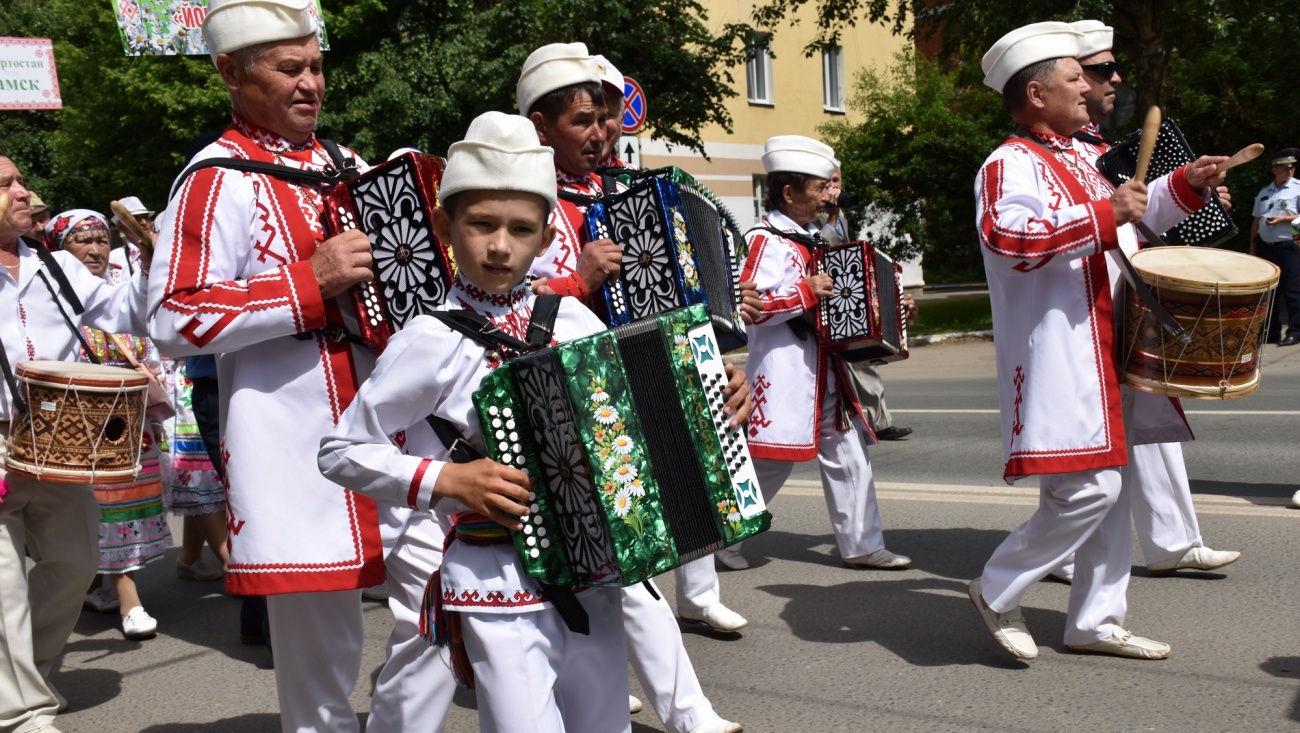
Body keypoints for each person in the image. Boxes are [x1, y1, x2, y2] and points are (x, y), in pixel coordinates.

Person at [321, 110, 754, 733]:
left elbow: (635, 419)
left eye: (521, 229)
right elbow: (339, 451)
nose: (500, 245)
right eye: (481, 225)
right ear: (444, 225)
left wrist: (714, 397)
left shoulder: (575, 321)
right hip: (494, 577)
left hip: (594, 575)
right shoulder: (428, 339)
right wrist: (448, 481)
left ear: (549, 236)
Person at [147, 0, 454, 730]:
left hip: (397, 429)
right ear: (231, 72)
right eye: (289, 69)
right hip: (297, 442)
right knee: (321, 647)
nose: (311, 83)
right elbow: (172, 317)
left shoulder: (346, 164)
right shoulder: (213, 177)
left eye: (316, 66)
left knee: (450, 600)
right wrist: (308, 282)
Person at [969, 21, 1227, 661]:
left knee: (1109, 484)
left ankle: (1095, 621)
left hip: (1110, 343)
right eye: (1074, 78)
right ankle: (996, 587)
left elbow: (1136, 217)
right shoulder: (1008, 164)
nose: (1089, 86)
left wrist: (1185, 185)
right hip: (1059, 353)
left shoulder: (1084, 155)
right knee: (1091, 490)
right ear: (1036, 94)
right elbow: (1010, 241)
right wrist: (1110, 214)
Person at [519, 44, 746, 733]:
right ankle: (666, 704)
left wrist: (708, 354)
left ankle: (667, 703)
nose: (603, 132)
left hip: (625, 392)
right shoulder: (520, 199)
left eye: (608, 118)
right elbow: (496, 302)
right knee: (604, 564)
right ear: (539, 127)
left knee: (627, 557)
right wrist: (575, 280)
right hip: (554, 405)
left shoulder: (629, 195)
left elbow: (670, 299)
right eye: (585, 120)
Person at [1041, 19, 1240, 581]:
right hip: (1080, 310)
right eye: (1100, 70)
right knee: (1083, 434)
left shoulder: (1102, 149)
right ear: (1067, 79)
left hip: (1129, 298)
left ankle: (1172, 540)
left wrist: (1194, 189)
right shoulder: (1038, 156)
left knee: (1149, 417)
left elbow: (1145, 221)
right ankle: (1059, 552)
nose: (1114, 79)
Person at [0, 156, 151, 733]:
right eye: (8, 184)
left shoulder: (53, 263)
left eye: (20, 181)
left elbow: (128, 312)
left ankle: (27, 674)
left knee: (75, 564)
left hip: (60, 445)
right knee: (6, 582)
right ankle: (24, 712)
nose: (24, 191)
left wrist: (156, 262)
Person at [733, 135, 910, 571]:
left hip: (830, 370)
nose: (826, 196)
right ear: (789, 192)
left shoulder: (822, 239)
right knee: (771, 462)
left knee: (850, 453)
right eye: (817, 188)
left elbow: (845, 301)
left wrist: (891, 307)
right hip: (787, 371)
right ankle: (720, 539)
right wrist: (804, 292)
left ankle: (863, 545)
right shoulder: (764, 240)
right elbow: (750, 309)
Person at [47, 209, 173, 640]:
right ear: (61, 250)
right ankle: (129, 600)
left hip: (128, 424)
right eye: (83, 242)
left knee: (122, 508)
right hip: (80, 428)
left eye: (101, 240)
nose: (96, 249)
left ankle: (95, 585)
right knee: (103, 510)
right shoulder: (51, 298)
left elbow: (145, 334)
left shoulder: (113, 293)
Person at [816, 168, 913, 443]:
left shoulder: (838, 215)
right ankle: (866, 423)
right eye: (828, 183)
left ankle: (877, 422)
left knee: (865, 359)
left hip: (846, 297)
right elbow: (824, 250)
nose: (834, 188)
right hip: (828, 300)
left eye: (837, 181)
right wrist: (833, 216)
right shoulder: (818, 215)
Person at [1250, 147, 1300, 346]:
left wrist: (1282, 219)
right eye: (1285, 167)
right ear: (1274, 169)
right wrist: (1253, 249)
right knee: (1270, 292)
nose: (1289, 170)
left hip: (1290, 244)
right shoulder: (1265, 192)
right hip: (1266, 246)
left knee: (1292, 289)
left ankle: (1295, 331)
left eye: (1292, 167)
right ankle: (1271, 333)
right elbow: (1255, 222)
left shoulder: (1298, 188)